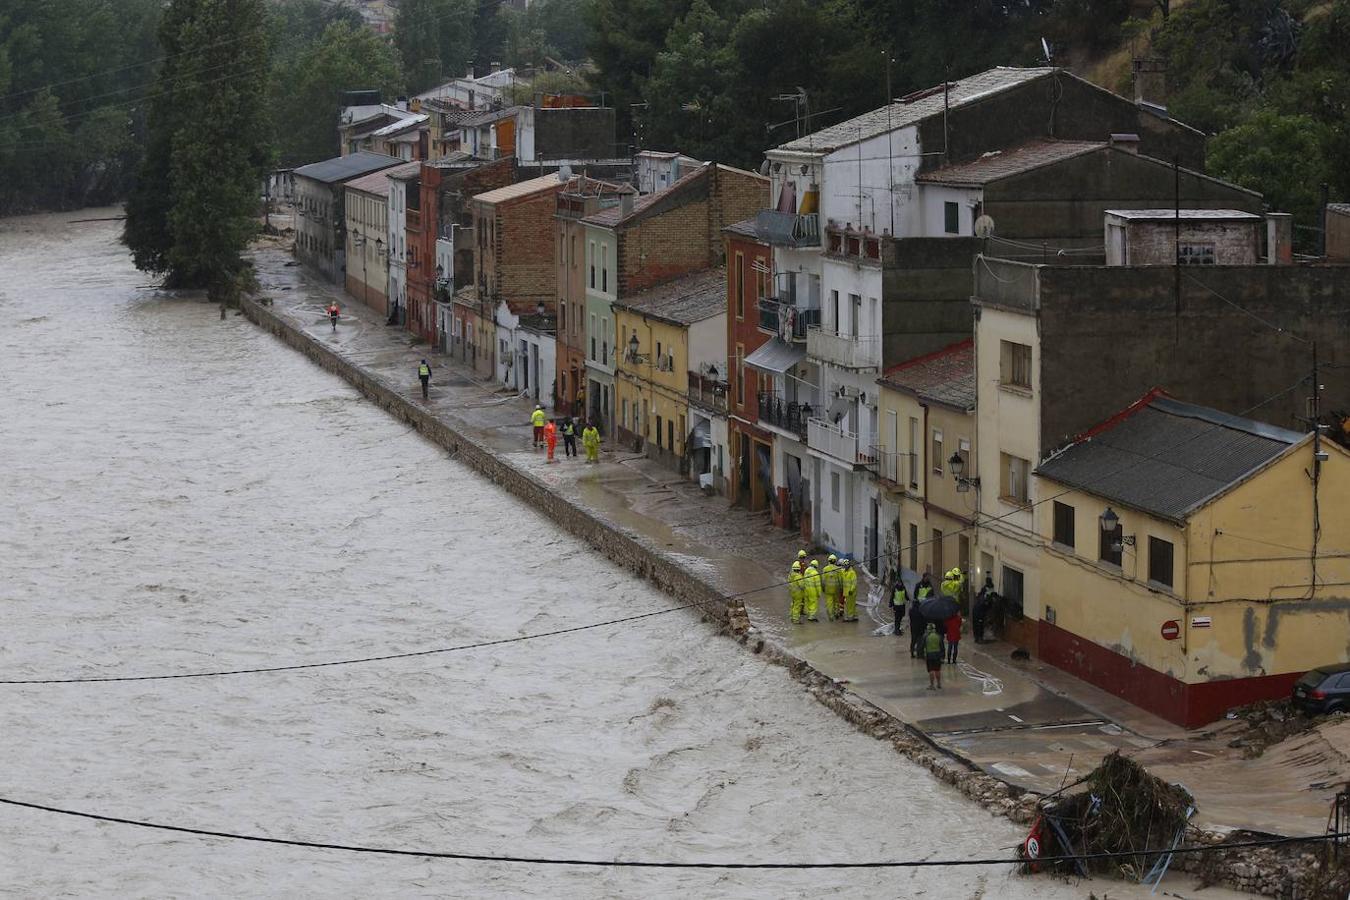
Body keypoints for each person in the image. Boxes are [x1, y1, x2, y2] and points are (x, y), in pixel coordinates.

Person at [973, 576, 994, 643]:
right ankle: (979, 638)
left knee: (977, 624)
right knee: (979, 625)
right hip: (979, 611)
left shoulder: (983, 590)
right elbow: (985, 604)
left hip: (977, 610)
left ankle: (977, 638)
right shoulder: (986, 594)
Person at [821, 554, 841, 621]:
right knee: (836, 602)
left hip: (828, 589)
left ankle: (831, 616)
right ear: (835, 561)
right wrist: (841, 588)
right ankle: (836, 613)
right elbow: (840, 580)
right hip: (836, 588)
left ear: (829, 561)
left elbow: (823, 580)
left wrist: (823, 588)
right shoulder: (838, 569)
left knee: (829, 603)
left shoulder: (825, 569)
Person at [924, 623, 944, 689]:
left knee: (931, 670)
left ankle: (932, 685)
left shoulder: (926, 637)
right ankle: (939, 684)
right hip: (938, 655)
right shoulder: (939, 636)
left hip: (929, 655)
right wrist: (942, 656)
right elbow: (942, 647)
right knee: (937, 670)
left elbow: (921, 646)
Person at [787, 560, 806, 625]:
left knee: (793, 604)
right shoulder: (799, 576)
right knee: (797, 606)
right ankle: (795, 619)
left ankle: (791, 616)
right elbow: (802, 586)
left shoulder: (790, 575)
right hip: (798, 594)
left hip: (792, 593)